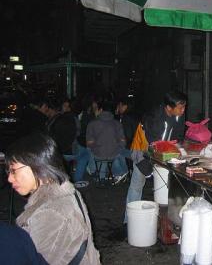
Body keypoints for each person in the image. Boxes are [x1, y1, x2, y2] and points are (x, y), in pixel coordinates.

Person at [5, 133, 100, 264]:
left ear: (37, 164)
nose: (9, 178)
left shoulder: (51, 212)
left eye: (13, 170)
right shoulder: (64, 192)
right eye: (8, 171)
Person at [124, 90, 187, 222]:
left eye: (184, 107)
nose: (183, 110)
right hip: (143, 151)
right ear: (169, 108)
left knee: (165, 185)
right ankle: (128, 220)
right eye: (180, 107)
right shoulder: (153, 118)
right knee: (137, 184)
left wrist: (177, 149)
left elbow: (179, 136)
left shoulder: (178, 115)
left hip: (163, 152)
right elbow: (153, 145)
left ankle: (163, 219)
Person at [86, 100, 128, 182]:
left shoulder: (92, 124)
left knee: (90, 149)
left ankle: (94, 171)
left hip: (98, 154)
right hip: (113, 154)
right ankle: (119, 173)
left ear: (100, 110)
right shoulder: (117, 123)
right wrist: (116, 148)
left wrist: (98, 146)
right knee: (118, 152)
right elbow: (123, 141)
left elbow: (89, 143)